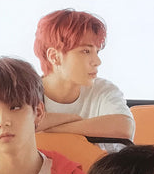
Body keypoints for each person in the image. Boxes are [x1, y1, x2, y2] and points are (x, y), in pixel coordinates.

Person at [33, 9, 135, 151]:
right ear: (54, 57)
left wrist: (47, 130)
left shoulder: (103, 89)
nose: (97, 61)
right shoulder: (24, 94)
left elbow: (124, 127)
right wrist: (74, 120)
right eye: (86, 51)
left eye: (97, 52)